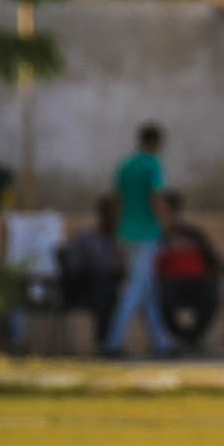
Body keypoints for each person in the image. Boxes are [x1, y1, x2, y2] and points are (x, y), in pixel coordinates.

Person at [105, 122, 174, 357]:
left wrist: (116, 230)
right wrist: (167, 225)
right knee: (134, 288)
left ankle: (162, 342)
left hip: (125, 232)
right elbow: (157, 197)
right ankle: (113, 342)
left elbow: (116, 201)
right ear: (156, 142)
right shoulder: (151, 165)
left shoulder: (125, 166)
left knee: (147, 289)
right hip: (146, 233)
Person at [155, 189, 224, 351]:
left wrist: (219, 267)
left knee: (211, 296)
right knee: (162, 299)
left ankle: (193, 340)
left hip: (197, 280)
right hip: (170, 281)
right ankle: (182, 338)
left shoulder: (192, 233)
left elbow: (211, 256)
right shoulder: (156, 236)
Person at [56, 194, 124, 352]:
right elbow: (75, 267)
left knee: (113, 292)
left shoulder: (118, 240)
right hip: (79, 287)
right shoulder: (87, 238)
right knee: (102, 281)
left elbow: (117, 270)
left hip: (104, 288)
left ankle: (108, 342)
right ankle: (105, 342)